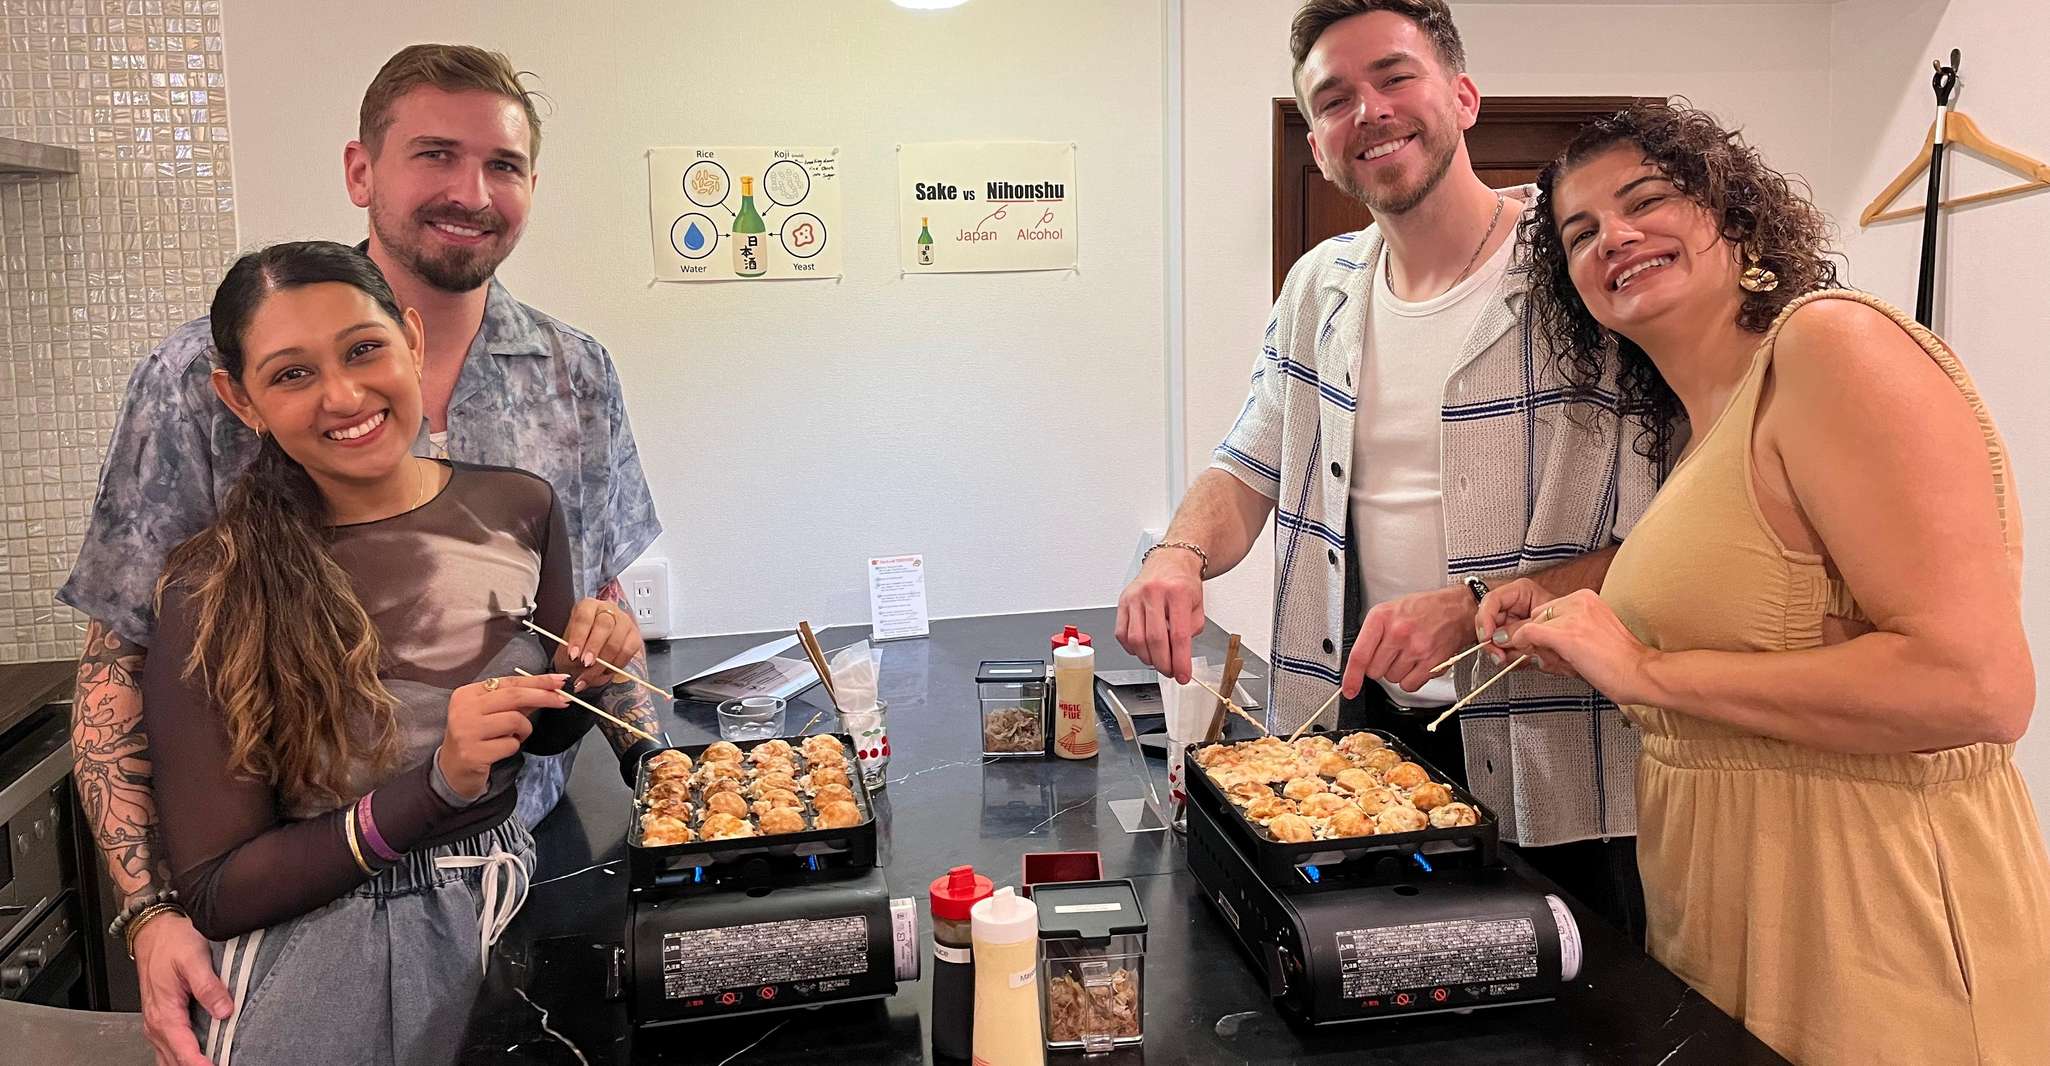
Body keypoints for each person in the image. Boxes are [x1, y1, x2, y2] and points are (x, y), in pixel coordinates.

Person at [59, 45, 662, 1066]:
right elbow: (120, 658)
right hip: (303, 892)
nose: (471, 194)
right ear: (360, 171)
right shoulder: (191, 375)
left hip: (523, 866)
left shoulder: (573, 370)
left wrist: (669, 781)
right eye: (435, 154)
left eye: (503, 166)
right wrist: (149, 910)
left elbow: (588, 615)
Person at [1491, 101, 2050, 1064]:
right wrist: (1564, 609)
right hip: (1741, 908)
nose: (1612, 238)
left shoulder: (1831, 346)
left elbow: (1976, 687)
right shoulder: (1707, 423)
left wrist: (1642, 672)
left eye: (1647, 200)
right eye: (1580, 234)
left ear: (1737, 219)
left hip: (1874, 919)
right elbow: (1762, 600)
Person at [1114, 0, 1656, 932]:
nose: (1367, 110)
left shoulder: (1584, 268)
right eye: (1333, 99)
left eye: (1394, 77)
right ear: (1318, 144)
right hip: (1350, 749)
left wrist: (1478, 605)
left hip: (1561, 768)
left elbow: (1678, 538)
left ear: (1463, 94)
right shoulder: (1318, 285)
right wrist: (1176, 555)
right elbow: (1248, 466)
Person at [142, 240, 616, 1065]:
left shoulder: (520, 506)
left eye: (364, 349)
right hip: (319, 966)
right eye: (292, 373)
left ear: (411, 339)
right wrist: (436, 789)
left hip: (502, 924)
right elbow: (218, 887)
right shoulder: (211, 590)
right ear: (239, 397)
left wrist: (583, 685)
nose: (345, 394)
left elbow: (534, 736)